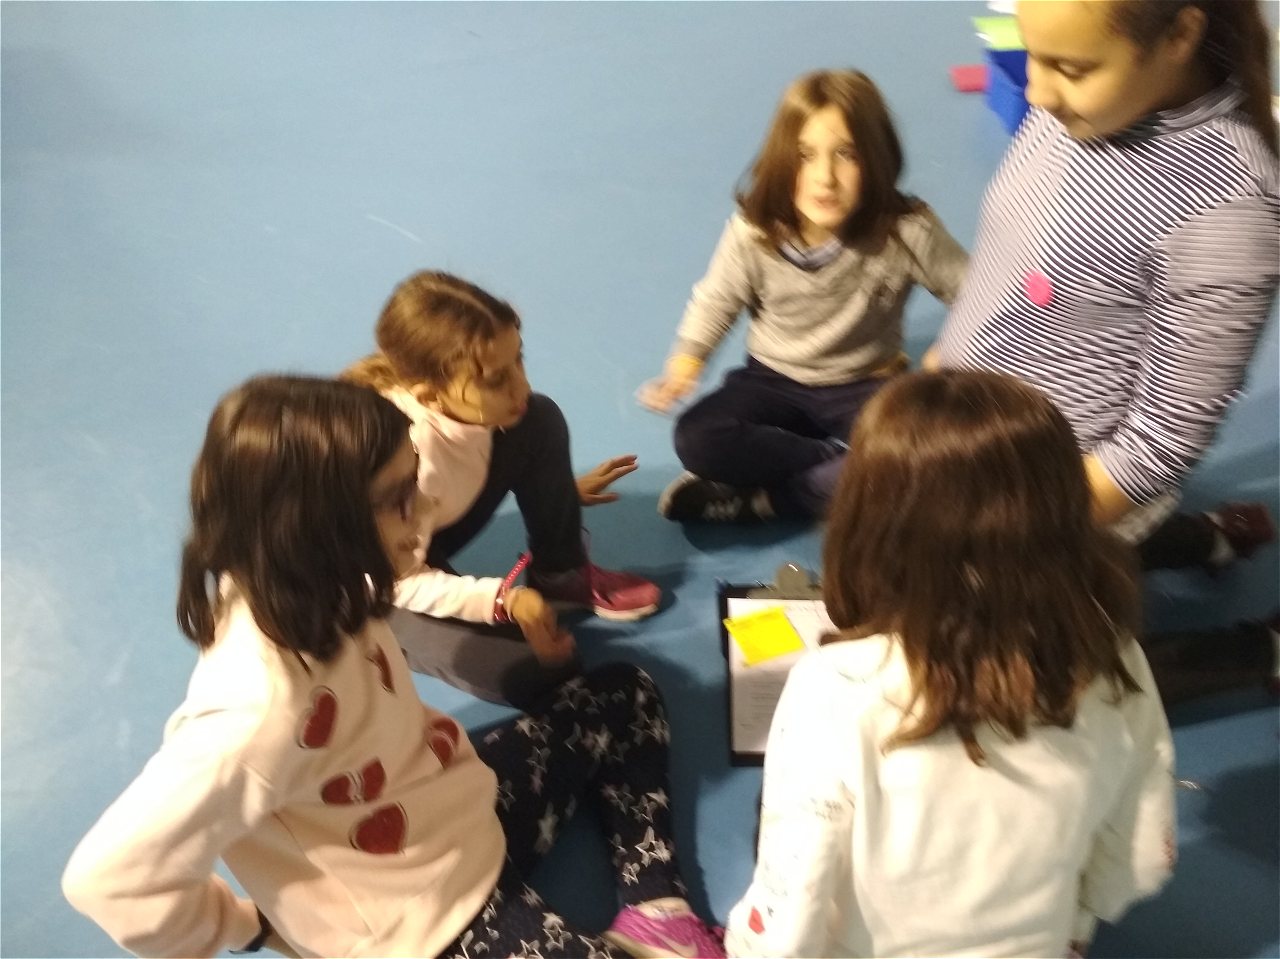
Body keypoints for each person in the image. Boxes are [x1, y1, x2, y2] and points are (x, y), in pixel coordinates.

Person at [61, 375, 725, 959]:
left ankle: (656, 910)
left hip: (461, 813)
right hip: (426, 929)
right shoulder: (254, 711)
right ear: (317, 524)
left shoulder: (319, 572)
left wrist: (503, 598)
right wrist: (248, 926)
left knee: (621, 695)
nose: (427, 511)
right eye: (400, 496)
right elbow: (110, 879)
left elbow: (414, 582)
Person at [724, 370, 1176, 958]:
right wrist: (1077, 921)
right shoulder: (1114, 659)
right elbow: (1140, 858)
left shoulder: (835, 684)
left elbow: (791, 909)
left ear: (869, 518)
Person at [927, 0, 1279, 699]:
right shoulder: (1084, 110)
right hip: (992, 454)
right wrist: (946, 366)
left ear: (1180, 35)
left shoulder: (1226, 208)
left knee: (1037, 680)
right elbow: (1015, 260)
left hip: (1066, 484)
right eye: (1032, 53)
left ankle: (1257, 650)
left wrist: (1006, 535)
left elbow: (1158, 445)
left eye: (1071, 67)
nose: (1036, 92)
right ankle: (1209, 538)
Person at [638, 68, 968, 523]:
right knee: (697, 438)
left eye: (846, 154)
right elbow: (716, 300)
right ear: (781, 159)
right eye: (805, 155)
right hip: (772, 380)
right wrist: (685, 365)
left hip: (866, 383)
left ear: (876, 158)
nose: (824, 177)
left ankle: (765, 501)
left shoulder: (906, 231)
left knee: (922, 463)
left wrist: (951, 352)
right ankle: (839, 464)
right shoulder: (754, 231)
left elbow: (976, 295)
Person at [344, 271, 660, 707]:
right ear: (430, 397)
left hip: (425, 524)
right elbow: (400, 580)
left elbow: (475, 458)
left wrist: (557, 491)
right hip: (379, 582)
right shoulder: (401, 464)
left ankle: (561, 576)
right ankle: (385, 637)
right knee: (536, 669)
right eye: (496, 379)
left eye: (519, 360)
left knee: (537, 419)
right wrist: (502, 601)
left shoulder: (462, 411)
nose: (521, 385)